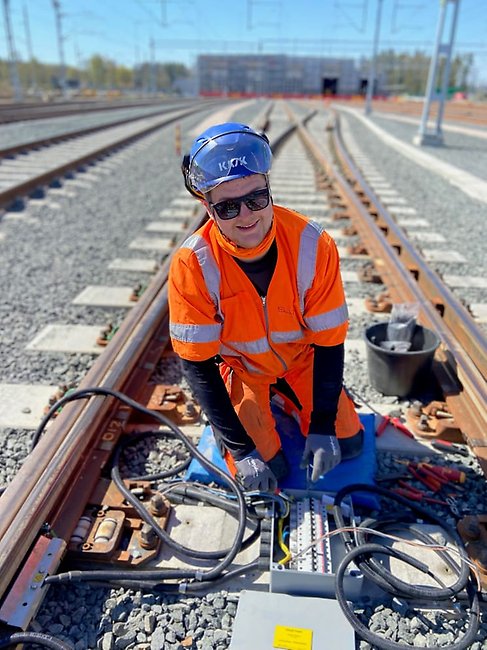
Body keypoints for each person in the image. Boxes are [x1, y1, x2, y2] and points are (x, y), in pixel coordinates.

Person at [168, 122, 363, 492]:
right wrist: (242, 451)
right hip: (243, 370)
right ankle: (271, 405)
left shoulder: (312, 243)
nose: (246, 215)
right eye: (227, 207)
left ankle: (293, 400)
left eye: (257, 198)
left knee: (349, 444)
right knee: (266, 472)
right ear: (206, 207)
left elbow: (329, 343)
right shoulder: (193, 263)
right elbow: (197, 367)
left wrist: (322, 425)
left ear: (269, 189)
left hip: (303, 359)